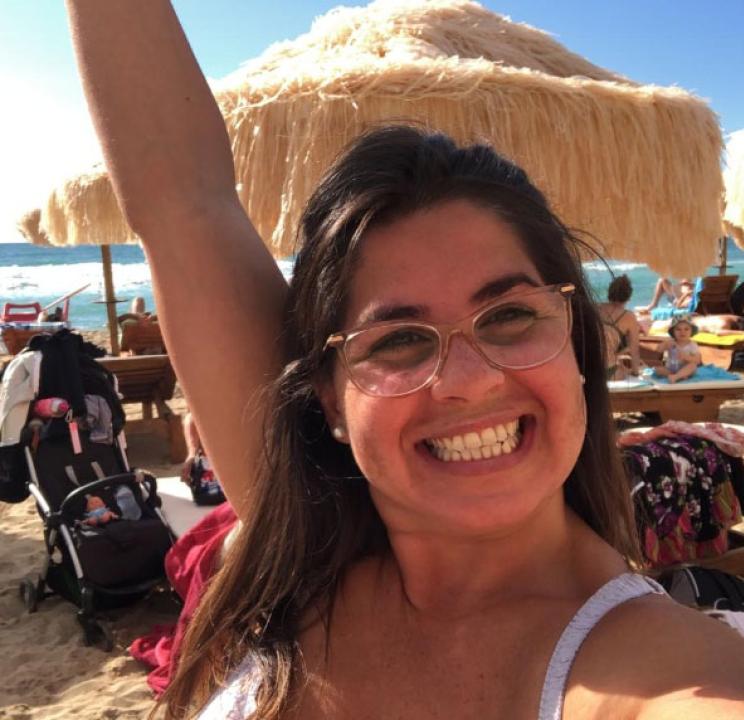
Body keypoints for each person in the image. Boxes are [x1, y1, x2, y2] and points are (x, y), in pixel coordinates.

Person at [65, 3, 744, 718]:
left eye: (510, 316)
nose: (471, 379)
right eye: (399, 339)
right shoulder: (309, 549)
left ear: (574, 343)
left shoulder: (671, 677)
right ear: (329, 399)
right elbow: (180, 197)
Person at [597, 275, 641, 379]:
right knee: (622, 371)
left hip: (588, 369)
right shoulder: (629, 317)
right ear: (629, 296)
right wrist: (635, 372)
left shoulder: (595, 308)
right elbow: (634, 349)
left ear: (609, 292)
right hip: (609, 370)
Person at [653, 317, 702, 383]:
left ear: (691, 331)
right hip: (671, 369)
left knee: (692, 366)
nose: (682, 332)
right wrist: (664, 344)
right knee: (657, 370)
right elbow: (658, 350)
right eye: (678, 329)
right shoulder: (671, 342)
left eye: (686, 329)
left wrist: (686, 357)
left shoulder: (692, 345)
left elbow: (697, 360)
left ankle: (676, 376)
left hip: (685, 368)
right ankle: (678, 376)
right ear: (673, 332)